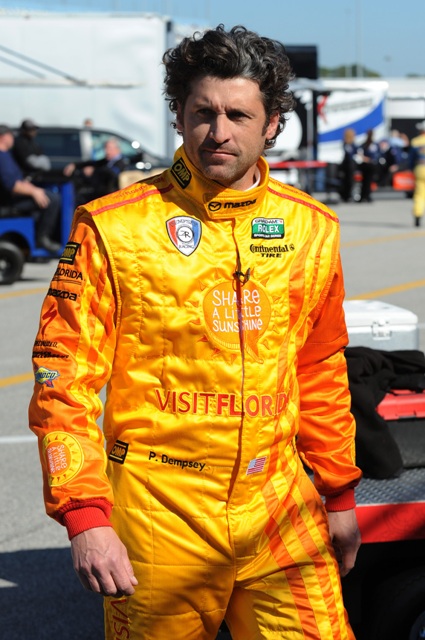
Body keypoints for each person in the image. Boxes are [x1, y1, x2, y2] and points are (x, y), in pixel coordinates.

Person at [28, 25, 362, 640]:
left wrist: (338, 494)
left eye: (239, 114)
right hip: (160, 513)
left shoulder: (312, 229)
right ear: (178, 116)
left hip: (281, 509)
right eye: (203, 112)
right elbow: (62, 379)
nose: (219, 131)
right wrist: (85, 516)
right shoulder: (114, 228)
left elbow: (320, 368)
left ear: (272, 125)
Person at [0, 124, 61, 253]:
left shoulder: (6, 155)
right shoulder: (1, 157)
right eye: (11, 136)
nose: (13, 139)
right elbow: (12, 185)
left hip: (14, 198)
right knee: (52, 200)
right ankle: (42, 238)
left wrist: (35, 190)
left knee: (47, 195)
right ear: (3, 137)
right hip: (8, 202)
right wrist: (34, 192)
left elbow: (19, 180)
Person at [63, 137, 128, 204]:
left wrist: (94, 170)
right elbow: (92, 163)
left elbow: (112, 173)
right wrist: (74, 165)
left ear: (117, 149)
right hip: (101, 195)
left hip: (113, 197)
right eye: (105, 148)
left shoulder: (122, 162)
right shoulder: (106, 161)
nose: (106, 151)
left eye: (109, 148)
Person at [409, 120, 425, 226]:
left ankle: (418, 215)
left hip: (420, 168)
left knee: (419, 195)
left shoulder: (415, 141)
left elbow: (411, 159)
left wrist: (411, 169)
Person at [358, 129, 380, 203]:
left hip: (368, 165)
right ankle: (365, 196)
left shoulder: (370, 144)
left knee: (366, 181)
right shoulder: (368, 145)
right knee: (367, 181)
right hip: (368, 165)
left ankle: (365, 196)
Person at [339, 128, 359, 202]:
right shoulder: (346, 144)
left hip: (348, 165)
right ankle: (347, 195)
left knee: (348, 181)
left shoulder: (352, 144)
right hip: (348, 165)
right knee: (348, 181)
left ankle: (348, 195)